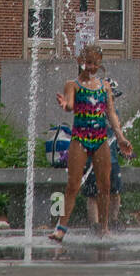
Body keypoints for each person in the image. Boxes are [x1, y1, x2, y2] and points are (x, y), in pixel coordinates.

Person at [49, 45, 133, 242]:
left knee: (105, 185)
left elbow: (110, 113)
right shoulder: (73, 85)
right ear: (80, 61)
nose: (91, 67)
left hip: (100, 139)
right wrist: (65, 105)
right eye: (88, 63)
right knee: (73, 185)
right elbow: (70, 105)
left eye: (95, 63)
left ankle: (103, 228)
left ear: (100, 64)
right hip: (80, 138)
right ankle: (61, 228)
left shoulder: (105, 86)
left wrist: (120, 137)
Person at [82, 78, 123, 228]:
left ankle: (112, 220)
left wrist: (122, 147)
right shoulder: (91, 112)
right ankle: (96, 224)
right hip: (93, 159)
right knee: (94, 194)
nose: (112, 100)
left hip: (110, 159)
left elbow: (118, 134)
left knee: (114, 191)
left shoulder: (114, 113)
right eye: (111, 97)